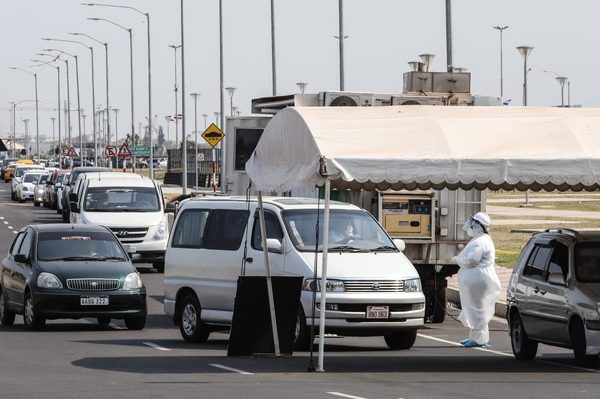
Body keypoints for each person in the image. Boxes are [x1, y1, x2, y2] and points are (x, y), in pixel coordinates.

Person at [453, 211, 501, 348]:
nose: (470, 226)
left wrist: (457, 260)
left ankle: (479, 339)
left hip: (480, 279)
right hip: (479, 278)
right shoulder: (480, 239)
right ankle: (477, 337)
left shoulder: (481, 241)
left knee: (478, 310)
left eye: (473, 223)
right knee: (477, 309)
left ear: (479, 225)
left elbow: (472, 260)